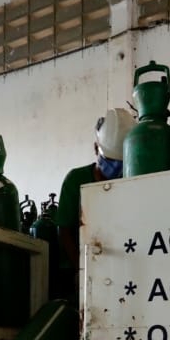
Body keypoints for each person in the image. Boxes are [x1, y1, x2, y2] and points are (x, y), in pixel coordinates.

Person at [54, 107, 134, 295]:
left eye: (121, 163)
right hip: (77, 265)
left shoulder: (131, 183)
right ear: (96, 148)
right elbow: (64, 229)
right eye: (110, 160)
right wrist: (81, 269)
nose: (115, 168)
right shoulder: (75, 180)